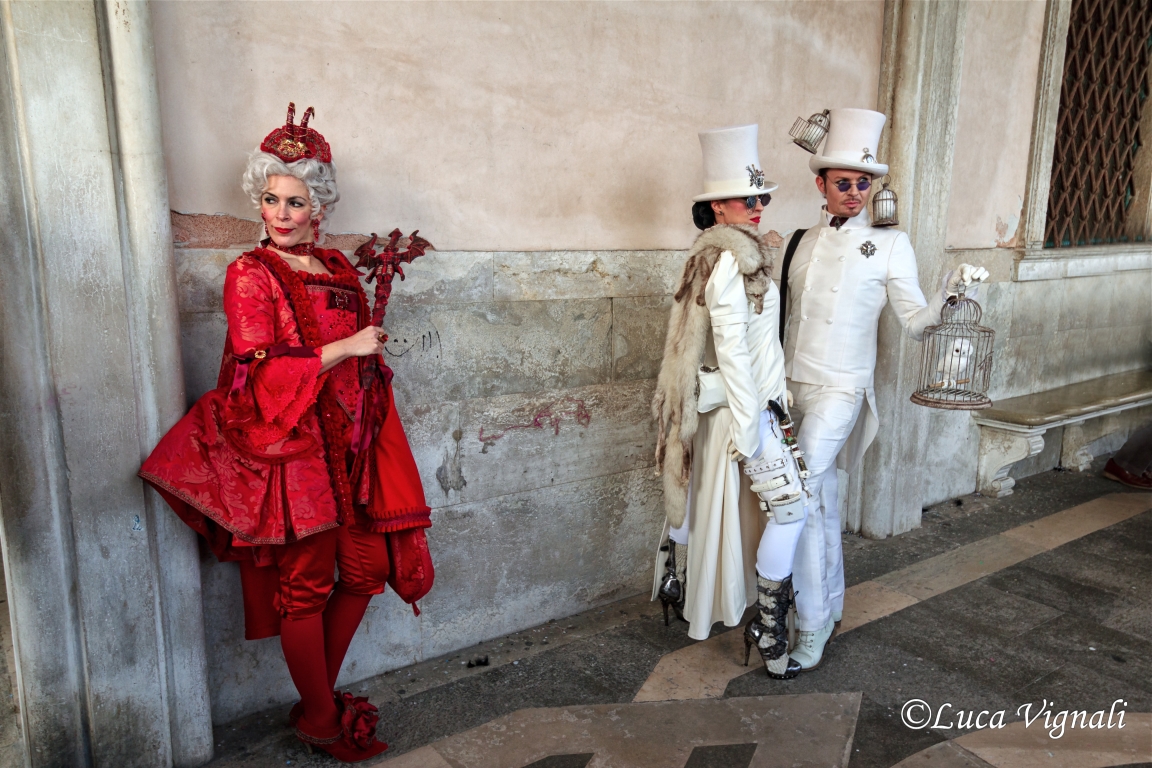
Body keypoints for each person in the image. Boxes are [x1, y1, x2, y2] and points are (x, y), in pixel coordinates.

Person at [140, 104, 433, 761]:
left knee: (366, 569)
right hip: (291, 446)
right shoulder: (249, 274)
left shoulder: (336, 266)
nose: (280, 212)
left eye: (295, 201)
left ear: (318, 206)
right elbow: (257, 361)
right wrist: (349, 346)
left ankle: (314, 701)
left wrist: (369, 360)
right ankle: (323, 718)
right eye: (270, 198)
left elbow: (359, 356)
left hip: (352, 442)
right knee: (305, 584)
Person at [775, 108, 988, 671]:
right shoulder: (797, 242)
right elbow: (782, 317)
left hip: (841, 390)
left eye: (863, 183)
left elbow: (914, 321)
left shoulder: (892, 246)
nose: (854, 192)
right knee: (816, 503)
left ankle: (808, 625)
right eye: (843, 182)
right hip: (789, 387)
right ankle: (823, 607)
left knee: (799, 490)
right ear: (820, 183)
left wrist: (948, 294)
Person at [652, 124, 810, 679]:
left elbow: (761, 345)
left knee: (749, 509)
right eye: (747, 198)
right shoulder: (728, 262)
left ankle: (677, 574)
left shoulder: (745, 254)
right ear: (716, 207)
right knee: (791, 509)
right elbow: (735, 355)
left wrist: (779, 392)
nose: (758, 205)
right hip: (745, 414)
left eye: (762, 196)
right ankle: (768, 630)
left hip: (759, 407)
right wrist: (750, 427)